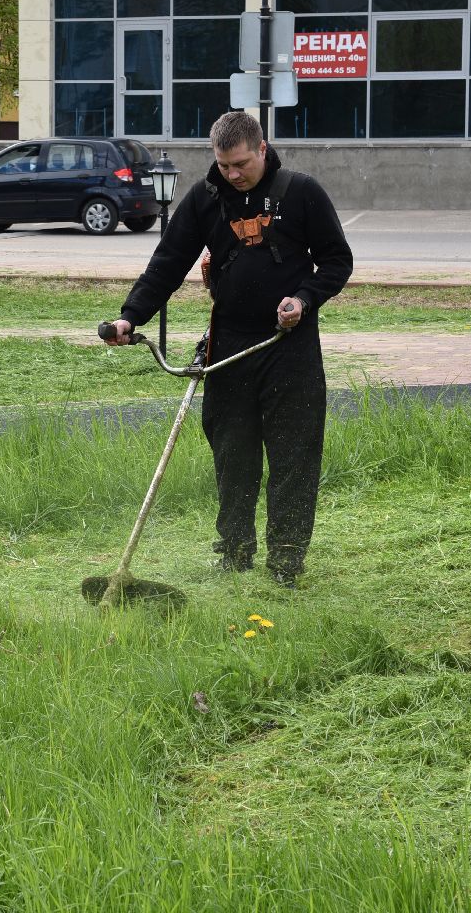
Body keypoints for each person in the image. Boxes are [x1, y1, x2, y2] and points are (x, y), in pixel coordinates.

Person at [101, 112, 353, 587]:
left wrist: (302, 299)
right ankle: (235, 552)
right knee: (232, 457)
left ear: (262, 149)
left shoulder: (302, 192)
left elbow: (337, 261)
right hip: (228, 346)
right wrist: (129, 316)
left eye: (240, 164)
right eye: (223, 164)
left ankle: (286, 562)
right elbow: (167, 264)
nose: (232, 174)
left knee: (294, 459)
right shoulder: (206, 198)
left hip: (289, 345)